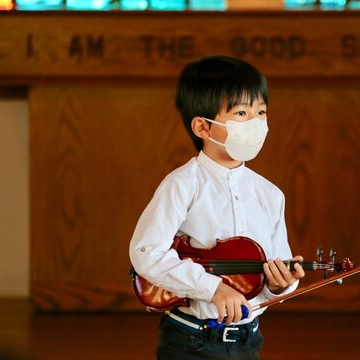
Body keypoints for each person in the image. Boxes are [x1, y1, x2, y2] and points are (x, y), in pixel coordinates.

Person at [129, 55, 305, 359]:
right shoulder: (182, 184)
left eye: (260, 112)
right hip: (190, 340)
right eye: (241, 112)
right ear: (202, 127)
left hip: (248, 341)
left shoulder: (270, 194)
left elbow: (273, 272)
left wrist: (280, 286)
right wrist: (212, 289)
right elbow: (147, 252)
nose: (256, 123)